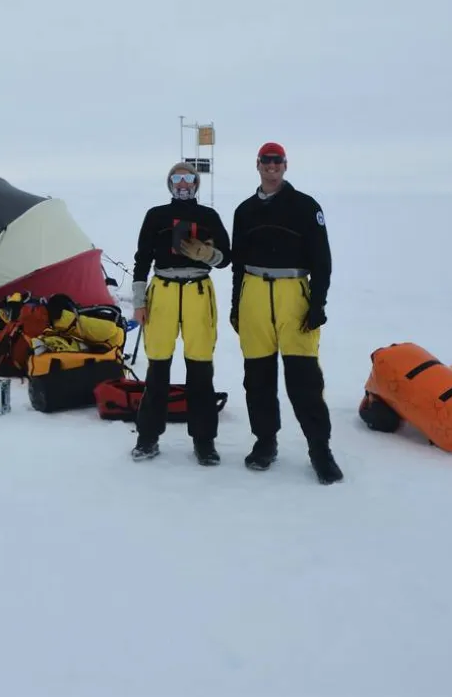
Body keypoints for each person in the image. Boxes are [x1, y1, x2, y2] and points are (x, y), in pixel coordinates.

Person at [230, 142, 343, 483]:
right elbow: (237, 265)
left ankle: (319, 450)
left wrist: (318, 304)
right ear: (258, 164)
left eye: (277, 161)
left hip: (293, 294)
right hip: (253, 295)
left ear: (285, 165)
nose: (272, 166)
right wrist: (237, 304)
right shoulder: (244, 210)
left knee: (304, 379)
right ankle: (265, 443)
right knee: (258, 378)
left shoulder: (306, 207)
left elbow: (322, 262)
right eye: (266, 161)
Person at [129, 161, 232, 465]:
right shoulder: (156, 215)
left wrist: (207, 254)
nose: (184, 183)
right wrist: (139, 302)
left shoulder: (208, 216)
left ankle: (204, 442)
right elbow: (141, 260)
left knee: (200, 368)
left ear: (197, 184)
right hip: (163, 291)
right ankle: (147, 438)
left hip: (198, 292)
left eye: (189, 178)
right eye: (178, 178)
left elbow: (226, 257)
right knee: (157, 368)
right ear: (170, 183)